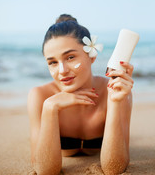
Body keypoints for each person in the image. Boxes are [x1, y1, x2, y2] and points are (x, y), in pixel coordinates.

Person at [27, 14, 134, 175]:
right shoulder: (40, 96)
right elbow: (45, 171)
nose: (62, 71)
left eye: (70, 57)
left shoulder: (115, 91)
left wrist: (114, 102)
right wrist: (50, 108)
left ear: (91, 56)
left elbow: (114, 169)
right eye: (53, 62)